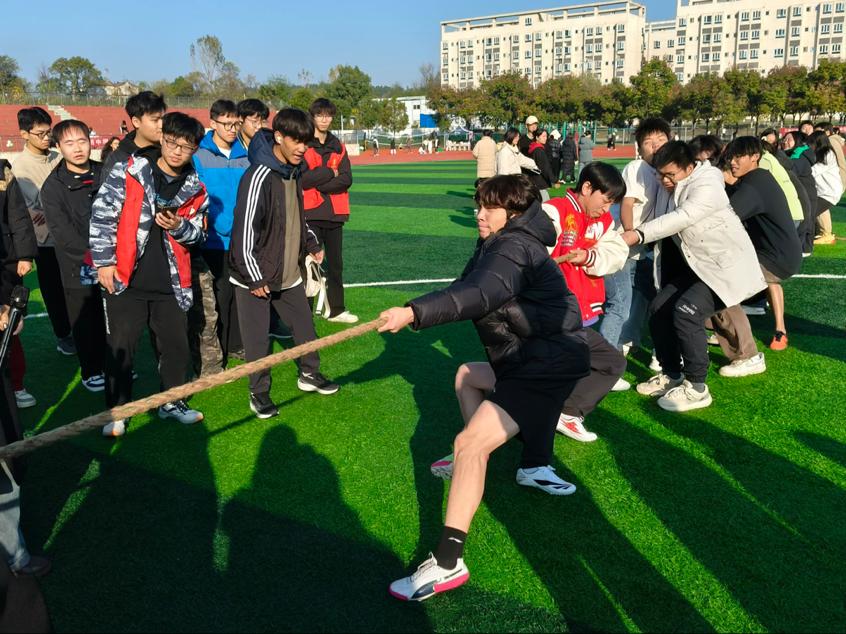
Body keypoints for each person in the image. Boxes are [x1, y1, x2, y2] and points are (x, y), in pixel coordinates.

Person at [381, 174, 590, 601]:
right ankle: (496, 464)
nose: (479, 214)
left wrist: (414, 313)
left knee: (469, 444)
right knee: (467, 376)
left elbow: (478, 293)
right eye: (478, 205)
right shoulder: (499, 241)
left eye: (489, 208)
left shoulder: (515, 246)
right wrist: (414, 312)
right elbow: (465, 288)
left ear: (512, 213)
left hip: (546, 363)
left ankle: (448, 563)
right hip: (530, 359)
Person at [622, 141, 765, 412]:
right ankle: (671, 374)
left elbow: (683, 216)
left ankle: (697, 387)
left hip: (723, 267)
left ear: (689, 167)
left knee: (686, 311)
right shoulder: (671, 185)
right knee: (659, 308)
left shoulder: (708, 183)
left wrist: (638, 234)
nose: (665, 180)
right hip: (699, 266)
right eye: (660, 174)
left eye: (670, 175)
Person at [90, 112, 208, 437]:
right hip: (126, 279)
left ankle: (171, 402)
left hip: (171, 283)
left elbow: (199, 235)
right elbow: (102, 215)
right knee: (121, 347)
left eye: (186, 146)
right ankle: (118, 411)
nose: (177, 151)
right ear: (162, 137)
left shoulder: (196, 188)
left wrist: (180, 226)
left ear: (195, 149)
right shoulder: (129, 170)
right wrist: (104, 262)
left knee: (176, 347)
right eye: (172, 142)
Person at [229, 109, 339, 420]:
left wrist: (311, 243)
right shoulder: (258, 176)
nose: (302, 149)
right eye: (296, 141)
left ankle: (309, 374)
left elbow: (296, 216)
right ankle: (258, 392)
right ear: (278, 137)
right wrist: (254, 276)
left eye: (306, 142)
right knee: (257, 340)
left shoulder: (294, 172)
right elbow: (244, 231)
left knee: (304, 327)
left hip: (288, 272)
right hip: (255, 276)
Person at [544, 163, 628, 441]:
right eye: (606, 200)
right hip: (554, 313)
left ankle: (562, 413)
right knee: (605, 363)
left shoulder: (603, 222)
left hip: (580, 311)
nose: (607, 209)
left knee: (598, 363)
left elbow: (617, 253)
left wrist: (589, 257)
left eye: (612, 203)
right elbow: (531, 255)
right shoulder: (555, 211)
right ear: (587, 187)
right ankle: (557, 416)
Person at [718, 137, 802, 359]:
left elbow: (725, 217)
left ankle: (740, 344)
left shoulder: (754, 184)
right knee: (761, 281)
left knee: (719, 282)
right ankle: (780, 330)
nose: (733, 162)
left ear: (755, 157)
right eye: (731, 157)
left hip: (776, 257)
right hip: (779, 253)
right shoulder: (758, 178)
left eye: (738, 157)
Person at [40, 120, 107, 392]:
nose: (77, 148)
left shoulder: (104, 172)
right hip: (79, 265)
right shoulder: (53, 187)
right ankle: (91, 370)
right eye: (69, 143)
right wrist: (97, 258)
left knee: (112, 316)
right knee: (87, 318)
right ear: (58, 147)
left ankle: (114, 363)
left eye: (82, 141)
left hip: (112, 260)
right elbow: (63, 234)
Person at [12, 107, 75, 361]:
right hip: (45, 242)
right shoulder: (20, 168)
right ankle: (64, 335)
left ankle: (81, 328)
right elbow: (31, 211)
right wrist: (45, 210)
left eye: (49, 132)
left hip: (72, 236)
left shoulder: (58, 158)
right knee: (53, 290)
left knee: (78, 287)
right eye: (40, 133)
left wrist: (46, 209)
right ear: (24, 134)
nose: (47, 137)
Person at [193, 99, 251, 368]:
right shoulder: (199, 156)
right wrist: (221, 224)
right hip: (214, 240)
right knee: (219, 296)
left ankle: (237, 344)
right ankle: (220, 350)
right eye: (226, 123)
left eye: (235, 124)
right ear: (213, 123)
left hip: (242, 238)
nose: (231, 129)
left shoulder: (245, 155)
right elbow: (199, 197)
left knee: (241, 293)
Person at [617, 118, 672, 379]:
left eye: (661, 140)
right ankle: (624, 341)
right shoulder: (637, 168)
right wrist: (630, 233)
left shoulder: (672, 169)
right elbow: (628, 203)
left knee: (651, 297)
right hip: (632, 245)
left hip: (655, 246)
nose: (656, 146)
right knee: (627, 297)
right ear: (640, 149)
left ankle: (656, 349)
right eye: (649, 142)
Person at [300, 98, 357, 324]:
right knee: (308, 265)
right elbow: (304, 179)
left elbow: (347, 178)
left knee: (335, 265)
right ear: (312, 116)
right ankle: (304, 314)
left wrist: (321, 184)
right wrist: (330, 173)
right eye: (320, 115)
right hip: (311, 213)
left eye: (328, 115)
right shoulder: (305, 145)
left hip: (334, 213)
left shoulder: (338, 146)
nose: (324, 119)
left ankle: (337, 310)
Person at [0, 160, 38, 409]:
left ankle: (15, 385)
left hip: (6, 264)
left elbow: (18, 216)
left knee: (9, 325)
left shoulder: (3, 173)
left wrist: (24, 255)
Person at [100, 91, 166, 184]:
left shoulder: (170, 152)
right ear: (136, 122)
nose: (161, 125)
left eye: (163, 119)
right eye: (155, 120)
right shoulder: (118, 159)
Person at [781, 130, 818, 255]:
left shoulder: (799, 156)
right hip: (802, 194)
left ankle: (805, 249)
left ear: (797, 141)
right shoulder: (797, 154)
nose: (785, 142)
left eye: (789, 139)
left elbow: (792, 170)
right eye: (784, 139)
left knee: (807, 221)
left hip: (807, 194)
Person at [807, 130, 843, 246]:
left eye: (811, 143)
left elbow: (814, 171)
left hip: (829, 192)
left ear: (818, 142)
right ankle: (823, 233)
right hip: (823, 192)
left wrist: (801, 170)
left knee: (811, 211)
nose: (809, 146)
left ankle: (825, 235)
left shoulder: (828, 154)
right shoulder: (821, 154)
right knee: (817, 211)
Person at [526, 129, 557, 201]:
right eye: (543, 136)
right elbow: (545, 168)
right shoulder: (539, 150)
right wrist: (554, 180)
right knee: (545, 204)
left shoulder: (533, 147)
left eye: (546, 136)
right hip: (540, 183)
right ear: (537, 137)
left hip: (534, 181)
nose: (545, 138)